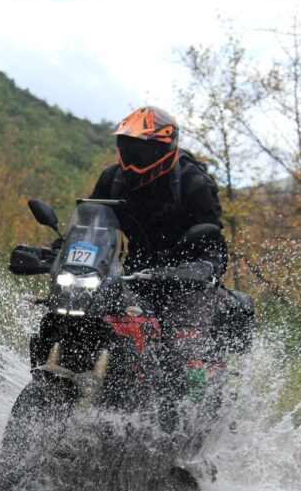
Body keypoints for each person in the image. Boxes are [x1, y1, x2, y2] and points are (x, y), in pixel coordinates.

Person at [89, 106, 229, 405]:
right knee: (96, 319)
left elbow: (213, 238)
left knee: (183, 352)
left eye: (145, 149)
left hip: (187, 280)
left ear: (165, 148)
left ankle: (191, 413)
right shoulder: (113, 179)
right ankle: (112, 393)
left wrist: (204, 266)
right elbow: (92, 225)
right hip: (133, 275)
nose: (135, 156)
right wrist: (57, 251)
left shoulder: (192, 182)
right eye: (130, 146)